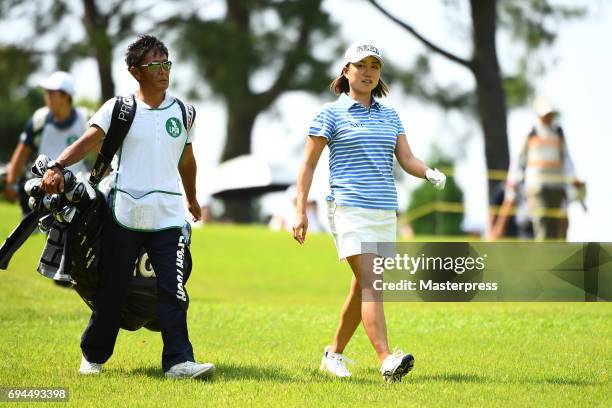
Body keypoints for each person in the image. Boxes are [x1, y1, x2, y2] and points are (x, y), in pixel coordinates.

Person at [40, 35, 214, 380]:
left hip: (168, 217)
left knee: (174, 290)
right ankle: (93, 355)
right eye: (155, 65)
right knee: (112, 290)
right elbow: (87, 142)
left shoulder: (185, 112)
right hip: (125, 214)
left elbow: (187, 160)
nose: (164, 71)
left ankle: (179, 362)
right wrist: (57, 166)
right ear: (136, 72)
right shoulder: (119, 109)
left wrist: (192, 198)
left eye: (167, 63)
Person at [292, 42, 446, 382]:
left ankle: (333, 354)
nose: (368, 72)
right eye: (361, 66)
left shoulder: (390, 114)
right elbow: (307, 166)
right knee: (373, 285)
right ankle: (386, 359)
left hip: (383, 211)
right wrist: (301, 210)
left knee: (361, 286)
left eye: (374, 66)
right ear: (346, 71)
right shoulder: (329, 114)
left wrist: (428, 171)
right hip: (347, 208)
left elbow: (406, 159)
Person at [4, 71, 90, 215]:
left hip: (77, 190)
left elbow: (99, 151)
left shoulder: (85, 119)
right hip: (45, 190)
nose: (47, 97)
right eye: (47, 93)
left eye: (52, 93)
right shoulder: (39, 119)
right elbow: (21, 153)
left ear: (66, 96)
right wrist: (10, 183)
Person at [503, 97, 584, 240]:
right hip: (537, 187)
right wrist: (513, 180)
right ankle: (545, 259)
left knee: (560, 227)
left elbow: (566, 159)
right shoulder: (530, 133)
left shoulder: (558, 133)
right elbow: (519, 160)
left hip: (558, 187)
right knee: (543, 224)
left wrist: (573, 178)